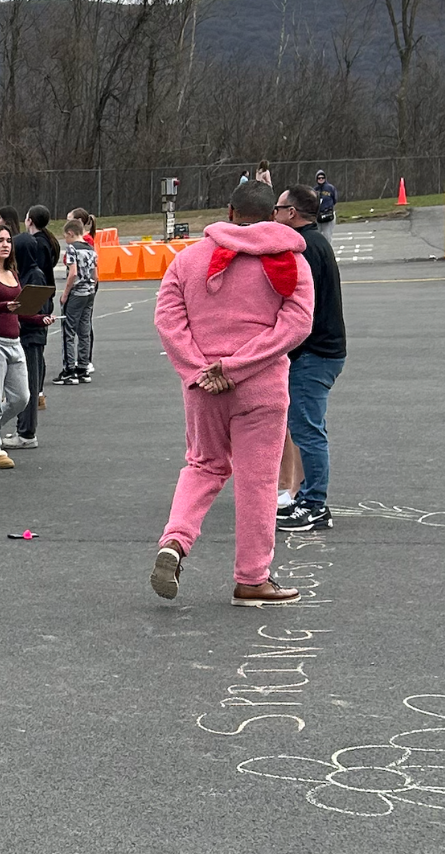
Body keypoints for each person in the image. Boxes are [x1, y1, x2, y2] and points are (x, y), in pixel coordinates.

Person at [149, 180, 314, 607]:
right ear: (273, 215)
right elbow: (296, 325)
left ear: (229, 211)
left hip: (203, 386)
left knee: (203, 465)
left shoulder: (188, 259)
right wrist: (237, 366)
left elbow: (168, 320)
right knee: (258, 481)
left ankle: (175, 540)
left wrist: (199, 369)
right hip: (261, 386)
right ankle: (252, 578)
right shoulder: (290, 261)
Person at [272, 185, 347, 531]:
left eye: (278, 208)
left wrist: (288, 348)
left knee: (308, 430)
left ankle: (315, 505)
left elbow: (305, 310)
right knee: (306, 426)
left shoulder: (306, 249)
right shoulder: (315, 242)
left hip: (314, 353)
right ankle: (304, 496)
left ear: (291, 213)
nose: (274, 214)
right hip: (322, 350)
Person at [0, 225, 52, 470]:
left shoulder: (12, 272)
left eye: (8, 240)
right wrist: (4, 306)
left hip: (14, 342)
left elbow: (19, 310)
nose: (5, 245)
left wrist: (39, 318)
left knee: (22, 397)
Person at [19, 204, 60, 424]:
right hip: (43, 295)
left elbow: (41, 273)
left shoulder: (38, 244)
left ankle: (37, 393)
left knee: (34, 353)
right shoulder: (46, 240)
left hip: (40, 296)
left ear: (30, 220)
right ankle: (37, 393)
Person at [54, 218, 97, 385]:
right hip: (89, 291)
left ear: (71, 233)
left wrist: (65, 293)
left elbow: (73, 273)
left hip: (76, 292)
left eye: (66, 236)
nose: (65, 239)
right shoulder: (91, 249)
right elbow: (95, 274)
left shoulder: (72, 249)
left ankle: (69, 369)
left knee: (69, 330)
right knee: (84, 330)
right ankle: (83, 367)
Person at [314, 170, 338, 244]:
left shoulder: (330, 188)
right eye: (319, 178)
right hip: (318, 215)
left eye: (322, 178)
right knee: (317, 234)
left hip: (328, 214)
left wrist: (329, 208)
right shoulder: (315, 190)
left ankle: (328, 249)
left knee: (327, 235)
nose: (321, 179)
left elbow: (335, 199)